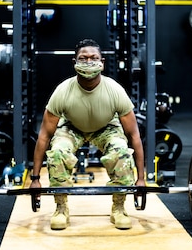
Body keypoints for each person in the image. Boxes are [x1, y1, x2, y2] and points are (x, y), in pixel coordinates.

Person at [29, 38, 145, 230]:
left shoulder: (115, 90)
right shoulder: (63, 91)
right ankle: (61, 207)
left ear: (102, 62)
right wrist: (35, 179)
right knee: (57, 150)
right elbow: (44, 136)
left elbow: (134, 136)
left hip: (106, 127)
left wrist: (140, 179)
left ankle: (119, 207)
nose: (89, 62)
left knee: (121, 150)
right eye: (83, 58)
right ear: (74, 63)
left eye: (94, 58)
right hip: (72, 126)